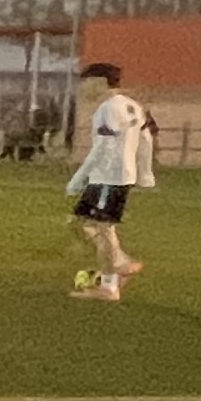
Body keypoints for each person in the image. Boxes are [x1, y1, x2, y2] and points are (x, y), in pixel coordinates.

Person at [67, 62, 156, 300]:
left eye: (86, 83)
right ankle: (120, 263)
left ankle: (109, 286)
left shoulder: (107, 109)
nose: (83, 89)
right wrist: (145, 172)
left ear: (99, 82)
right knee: (80, 223)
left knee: (102, 229)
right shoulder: (133, 106)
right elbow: (146, 138)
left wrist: (78, 177)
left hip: (108, 177)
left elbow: (102, 149)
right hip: (114, 176)